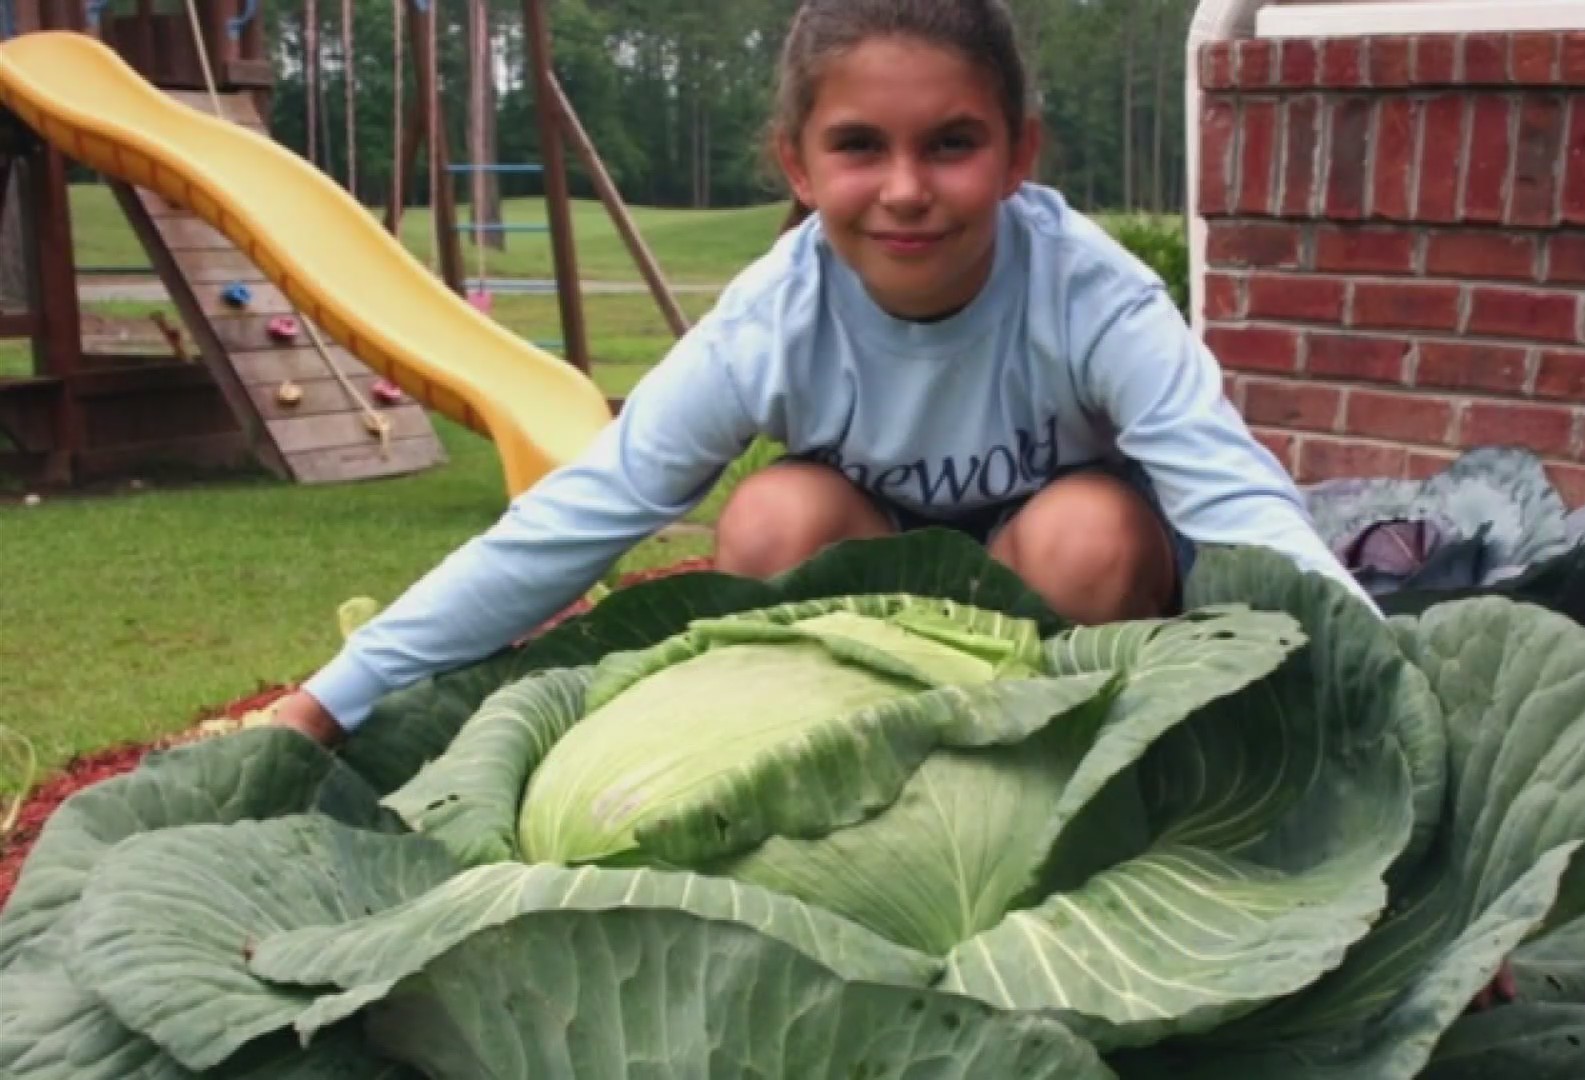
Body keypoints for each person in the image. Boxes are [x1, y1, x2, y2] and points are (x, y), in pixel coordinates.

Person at [270, 0, 1374, 747]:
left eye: (951, 142)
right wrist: (330, 703)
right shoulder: (771, 323)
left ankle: (1083, 782)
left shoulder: (1093, 294)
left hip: (1078, 612)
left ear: (1019, 154)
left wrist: (1398, 728)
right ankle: (848, 765)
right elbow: (575, 516)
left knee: (1088, 535)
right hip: (889, 601)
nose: (905, 188)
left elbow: (1238, 504)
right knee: (771, 518)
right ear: (797, 164)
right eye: (858, 146)